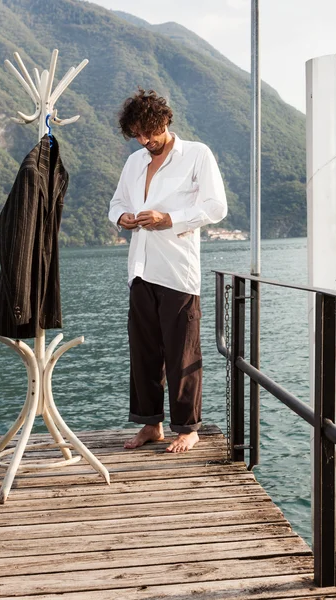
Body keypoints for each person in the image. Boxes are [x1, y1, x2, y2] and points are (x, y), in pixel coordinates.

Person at [109, 89, 228, 453]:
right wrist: (123, 218)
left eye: (149, 132)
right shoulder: (133, 164)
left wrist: (170, 219)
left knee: (182, 352)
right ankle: (151, 425)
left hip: (177, 269)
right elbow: (116, 204)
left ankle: (188, 428)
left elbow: (216, 207)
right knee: (143, 351)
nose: (145, 141)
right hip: (141, 268)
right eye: (138, 136)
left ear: (164, 120)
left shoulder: (196, 154)